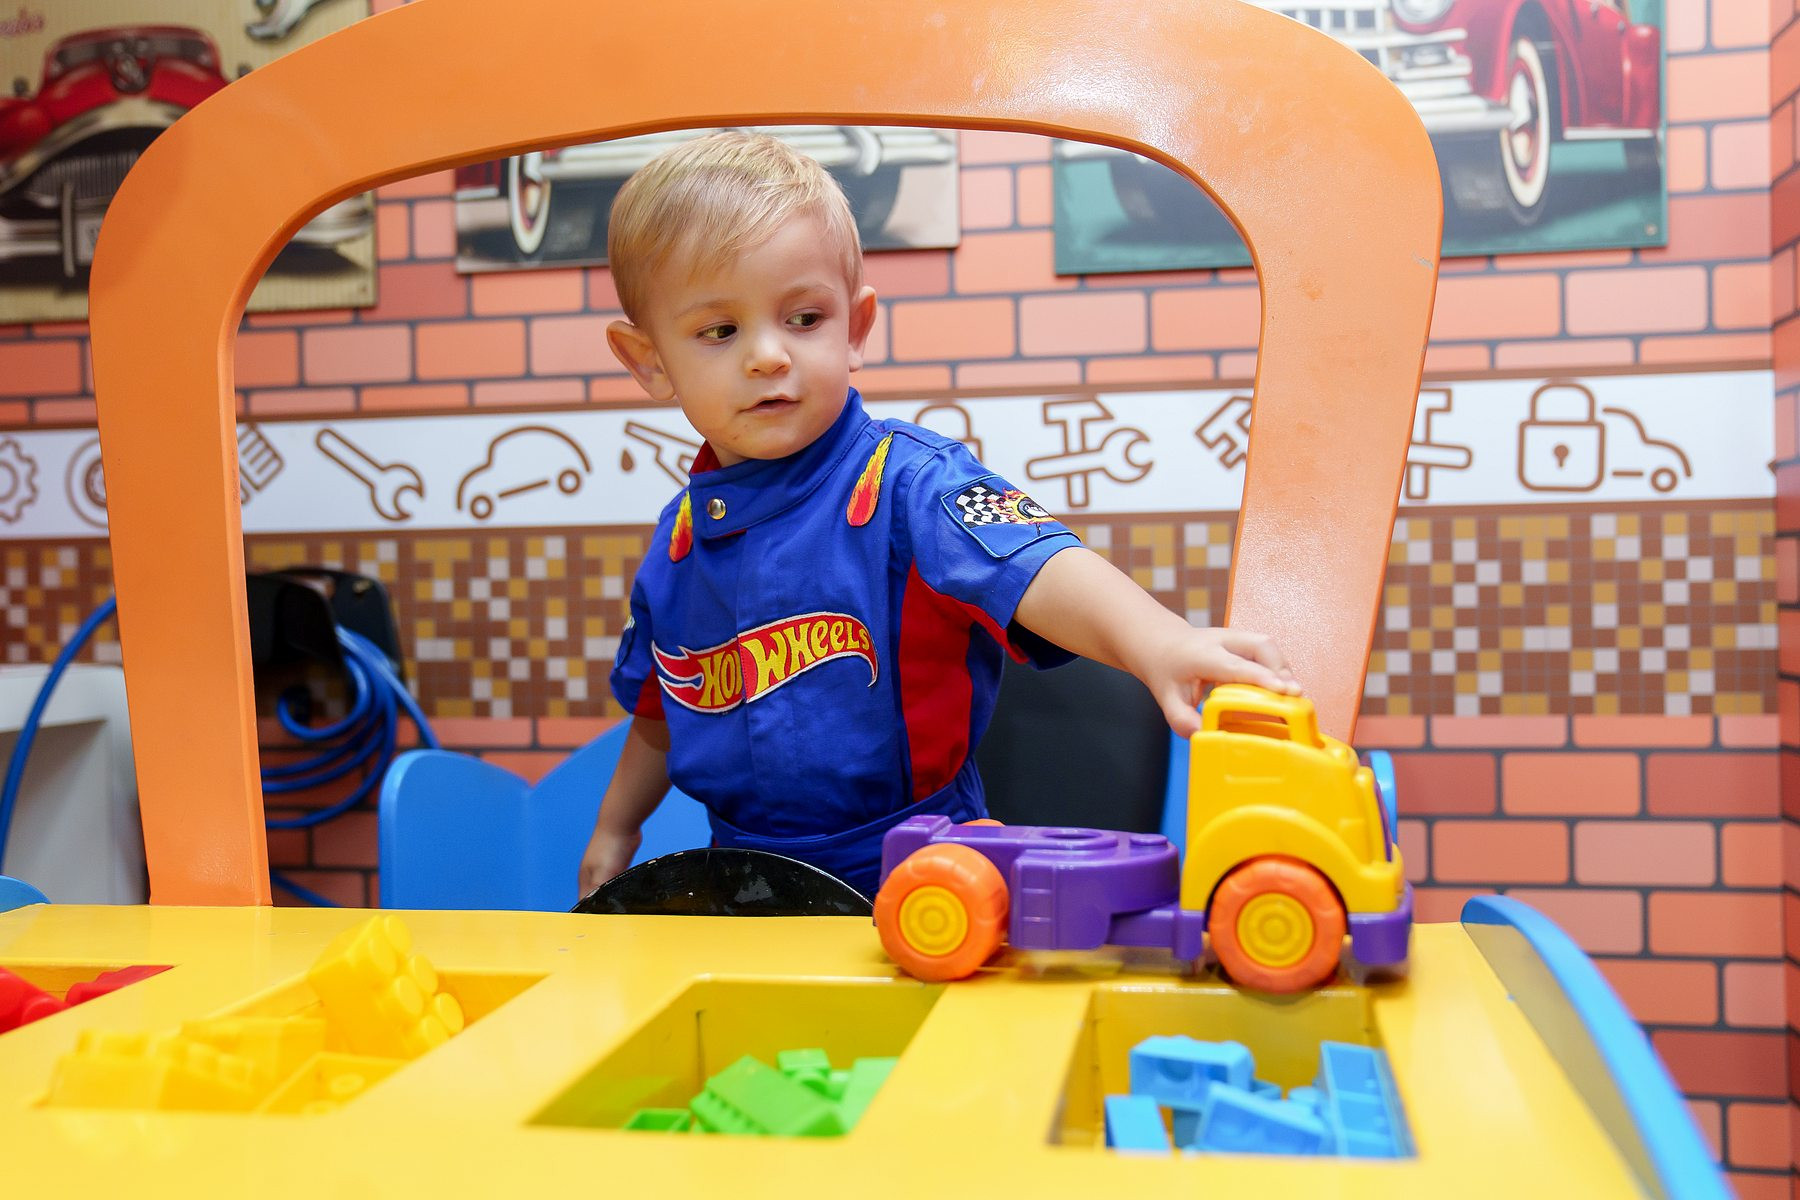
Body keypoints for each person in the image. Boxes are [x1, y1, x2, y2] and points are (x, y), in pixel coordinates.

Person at [578, 132, 1297, 899]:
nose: (768, 356)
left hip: (919, 872)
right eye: (720, 331)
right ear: (650, 361)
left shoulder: (910, 483)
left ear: (855, 329)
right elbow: (661, 705)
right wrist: (615, 828)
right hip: (741, 886)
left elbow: (1037, 565)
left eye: (804, 319)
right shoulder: (678, 542)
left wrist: (1162, 640)